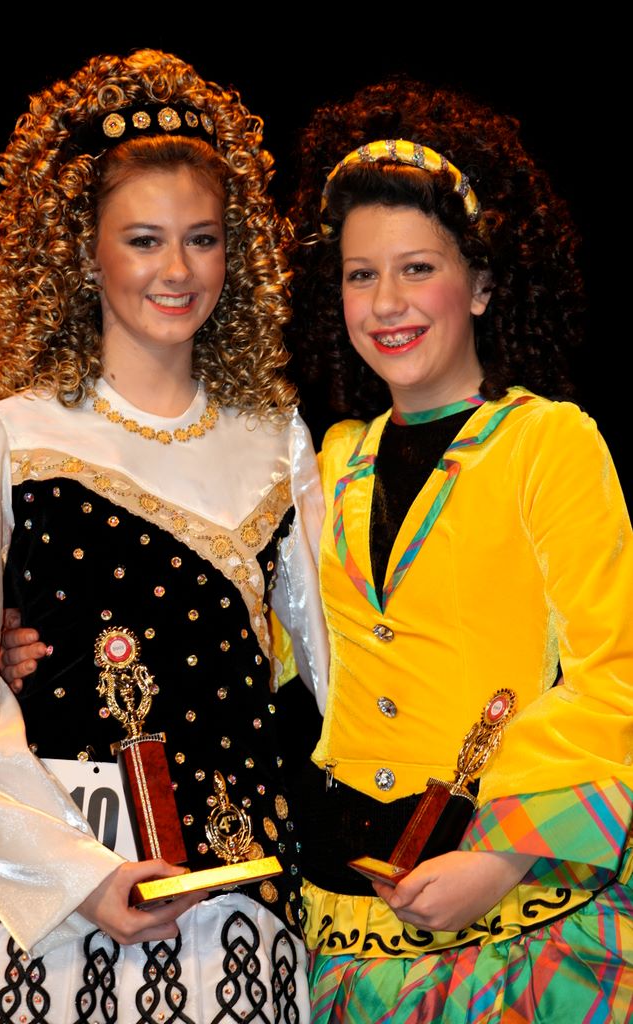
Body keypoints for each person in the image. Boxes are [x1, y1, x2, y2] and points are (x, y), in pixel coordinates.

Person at [0, 48, 323, 1024]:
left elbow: (334, 676)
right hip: (46, 924)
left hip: (240, 913)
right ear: (84, 250)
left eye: (202, 239)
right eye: (144, 239)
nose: (176, 270)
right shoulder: (7, 431)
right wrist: (75, 876)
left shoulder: (278, 440)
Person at [282, 77, 633, 1021]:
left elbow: (612, 671)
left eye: (416, 268)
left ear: (479, 285)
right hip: (348, 919)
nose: (386, 302)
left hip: (522, 920)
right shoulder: (328, 461)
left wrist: (503, 855)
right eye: (360, 274)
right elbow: (275, 651)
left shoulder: (548, 442)